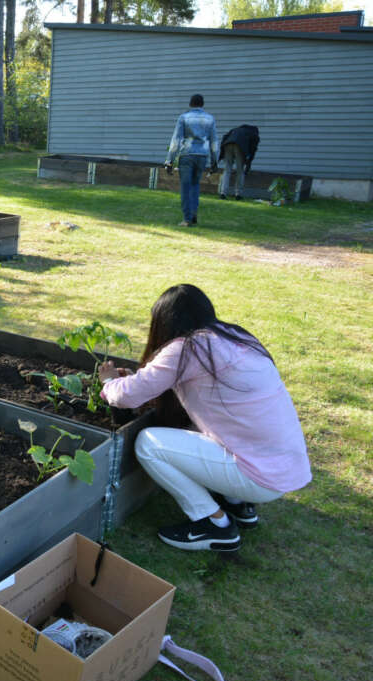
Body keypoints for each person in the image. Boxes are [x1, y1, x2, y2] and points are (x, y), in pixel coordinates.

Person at [98, 284, 311, 552]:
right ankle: (236, 503)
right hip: (283, 464)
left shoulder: (187, 348)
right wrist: (137, 380)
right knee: (197, 428)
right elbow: (154, 385)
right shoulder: (235, 337)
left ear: (165, 322)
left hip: (258, 474)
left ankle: (214, 523)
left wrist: (109, 382)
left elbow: (127, 397)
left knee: (148, 444)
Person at [164, 95, 218, 227]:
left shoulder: (184, 117)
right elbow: (214, 141)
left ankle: (187, 219)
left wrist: (169, 160)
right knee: (195, 185)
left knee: (185, 186)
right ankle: (193, 213)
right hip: (202, 156)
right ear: (202, 104)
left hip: (187, 154)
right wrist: (214, 161)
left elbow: (176, 140)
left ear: (190, 104)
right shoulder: (210, 119)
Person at [218, 125, 260, 200]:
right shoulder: (254, 133)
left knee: (227, 170)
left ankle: (223, 193)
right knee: (240, 171)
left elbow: (225, 137)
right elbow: (253, 149)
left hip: (227, 144)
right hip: (240, 146)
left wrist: (222, 153)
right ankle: (238, 194)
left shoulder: (236, 129)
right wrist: (249, 162)